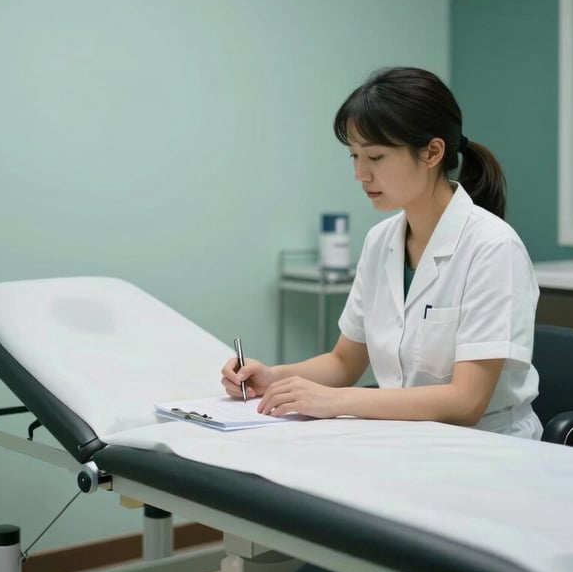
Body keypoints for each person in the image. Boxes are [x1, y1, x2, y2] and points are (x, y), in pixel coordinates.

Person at [222, 66, 542, 440]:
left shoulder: (493, 248)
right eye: (354, 156)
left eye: (375, 158)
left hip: (489, 448)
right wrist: (273, 378)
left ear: (432, 152)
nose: (361, 174)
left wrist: (337, 401)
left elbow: (465, 402)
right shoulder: (381, 241)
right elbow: (343, 362)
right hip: (403, 440)